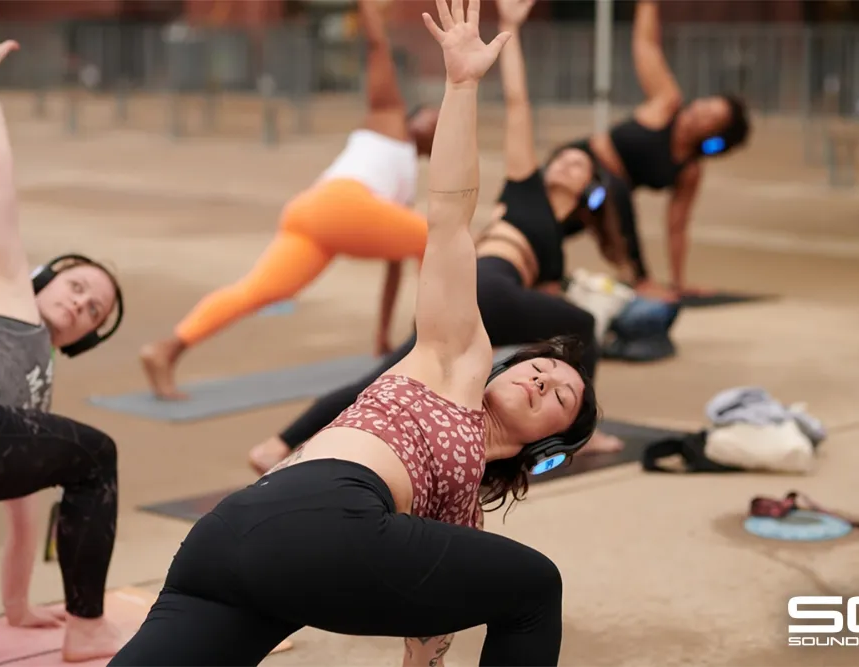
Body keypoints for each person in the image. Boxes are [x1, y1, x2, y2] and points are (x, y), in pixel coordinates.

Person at [108, 3, 595, 666]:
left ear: (549, 448)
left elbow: (423, 645)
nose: (543, 376)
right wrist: (460, 88)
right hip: (302, 515)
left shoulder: (454, 524)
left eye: (562, 394)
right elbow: (450, 216)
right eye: (538, 367)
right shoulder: (455, 362)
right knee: (537, 585)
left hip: (246, 545)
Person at [247, 0, 623, 474]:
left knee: (391, 374)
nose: (568, 162)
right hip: (484, 285)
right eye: (565, 157)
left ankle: (280, 445)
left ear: (592, 189)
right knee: (582, 323)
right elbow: (517, 105)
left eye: (580, 164)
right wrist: (508, 29)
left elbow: (546, 311)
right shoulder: (527, 188)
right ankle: (580, 435)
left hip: (493, 303)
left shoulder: (557, 238)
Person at [0, 5, 126, 662]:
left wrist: (17, 607)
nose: (83, 304)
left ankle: (73, 622)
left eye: (94, 310)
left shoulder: (27, 407)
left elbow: (20, 513)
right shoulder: (5, 280)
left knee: (81, 457)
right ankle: (89, 626)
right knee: (96, 454)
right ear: (44, 278)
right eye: (78, 286)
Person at [139, 0, 441, 399]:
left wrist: (382, 334)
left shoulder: (403, 185)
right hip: (337, 204)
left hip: (313, 215)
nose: (438, 121)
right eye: (433, 115)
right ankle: (432, 345)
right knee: (436, 236)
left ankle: (166, 349)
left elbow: (394, 263)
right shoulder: (389, 116)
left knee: (259, 291)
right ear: (412, 116)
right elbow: (376, 47)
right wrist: (368, 7)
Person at [563, 0, 751, 302]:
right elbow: (646, 45)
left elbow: (676, 227)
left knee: (569, 221)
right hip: (578, 162)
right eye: (705, 104)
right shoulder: (667, 101)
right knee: (568, 202)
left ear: (715, 137)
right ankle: (640, 279)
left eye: (711, 119)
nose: (699, 112)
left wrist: (679, 282)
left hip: (600, 198)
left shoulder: (689, 169)